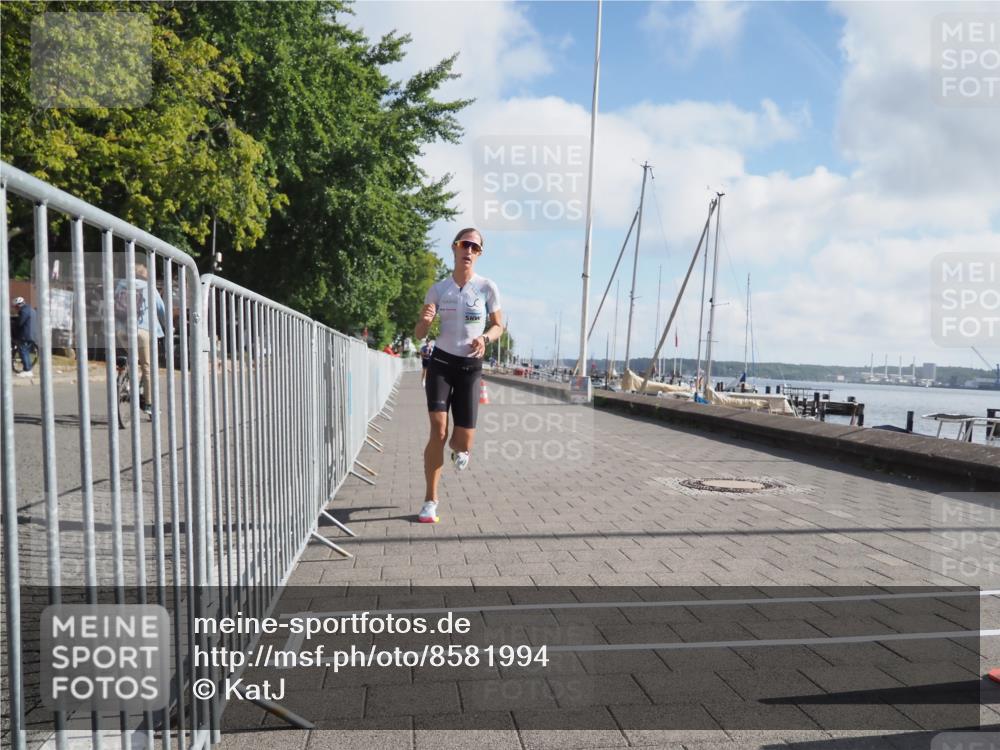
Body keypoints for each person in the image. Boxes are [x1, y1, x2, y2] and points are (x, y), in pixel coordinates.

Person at [413, 227, 502, 524]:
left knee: (462, 442)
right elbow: (419, 334)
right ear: (454, 247)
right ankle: (430, 501)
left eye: (475, 247)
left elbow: (498, 326)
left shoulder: (487, 287)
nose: (469, 251)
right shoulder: (439, 289)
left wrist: (485, 338)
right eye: (465, 244)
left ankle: (460, 450)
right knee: (438, 431)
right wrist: (425, 322)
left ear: (479, 254)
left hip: (470, 368)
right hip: (441, 363)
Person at [114, 263, 166, 415]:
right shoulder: (150, 288)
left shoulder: (120, 285)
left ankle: (126, 378)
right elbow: (161, 310)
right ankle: (149, 405)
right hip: (142, 331)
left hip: (122, 331)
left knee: (132, 356)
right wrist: (166, 326)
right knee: (147, 367)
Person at [11, 297, 37, 378]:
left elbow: (19, 323)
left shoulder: (24, 311)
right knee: (26, 352)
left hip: (25, 335)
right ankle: (28, 370)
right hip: (32, 335)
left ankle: (27, 370)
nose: (15, 308)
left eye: (15, 307)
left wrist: (12, 324)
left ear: (18, 305)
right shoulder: (31, 310)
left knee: (23, 351)